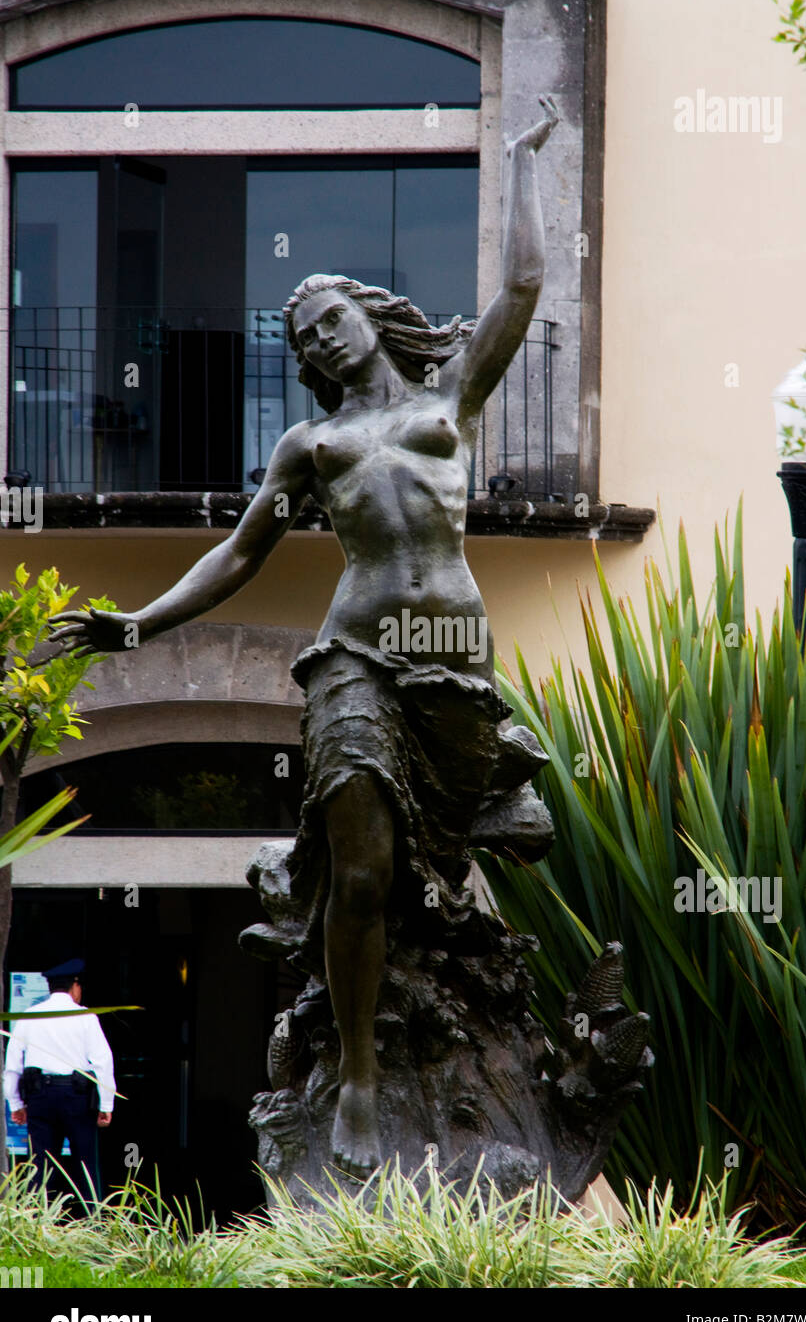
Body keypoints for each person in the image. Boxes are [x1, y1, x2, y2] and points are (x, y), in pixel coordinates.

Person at [46, 97, 560, 1178]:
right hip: (355, 655)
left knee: (459, 869)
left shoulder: (447, 402)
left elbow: (518, 289)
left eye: (332, 315)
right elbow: (239, 555)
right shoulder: (309, 445)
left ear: (369, 317)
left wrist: (517, 161)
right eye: (303, 334)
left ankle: (462, 1061)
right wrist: (135, 623)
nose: (322, 335)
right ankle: (362, 1072)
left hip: (452, 663)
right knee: (363, 871)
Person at [4, 958, 115, 1202]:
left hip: (40, 1097)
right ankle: (92, 1224)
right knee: (85, 1164)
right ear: (75, 986)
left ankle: (34, 1226)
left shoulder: (29, 1016)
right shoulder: (86, 1017)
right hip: (76, 1097)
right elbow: (103, 1063)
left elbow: (12, 1065)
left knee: (40, 1167)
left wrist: (15, 1104)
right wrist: (106, 1106)